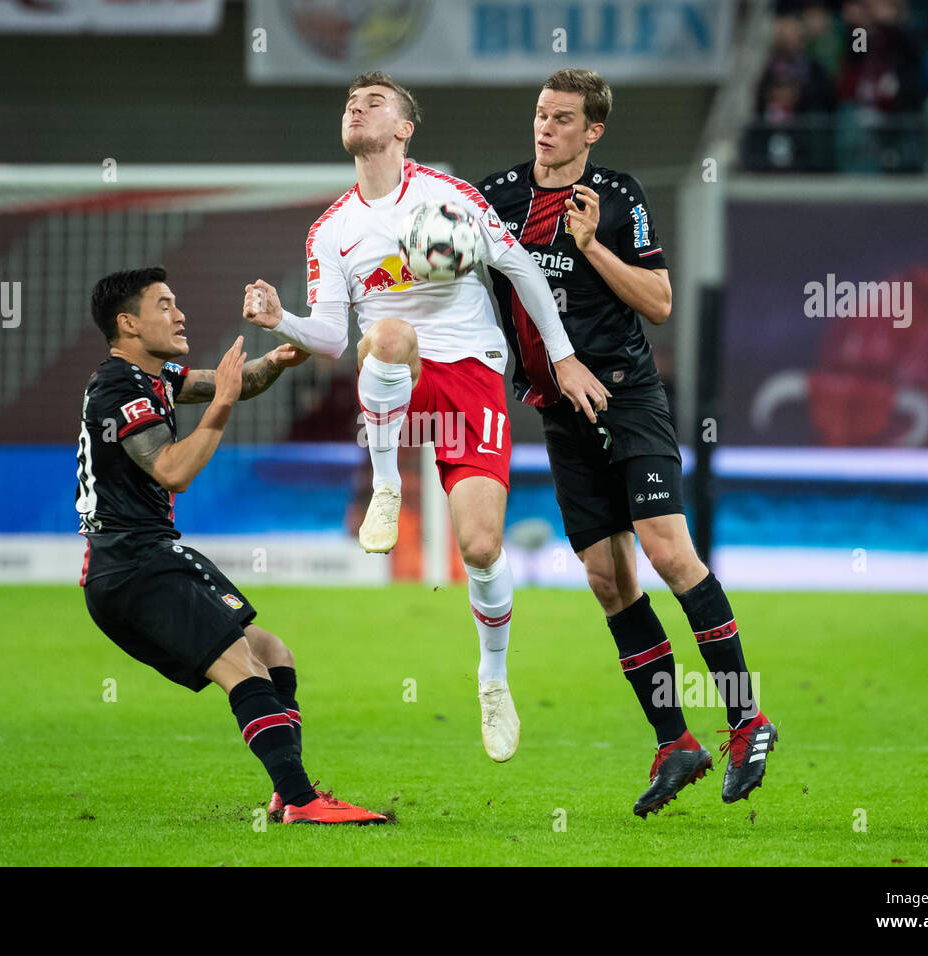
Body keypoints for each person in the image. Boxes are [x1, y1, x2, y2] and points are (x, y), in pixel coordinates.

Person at [242, 72, 609, 763]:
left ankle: (493, 678)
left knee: (478, 547)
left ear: (404, 129)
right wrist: (277, 319)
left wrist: (561, 359)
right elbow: (325, 338)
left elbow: (524, 269)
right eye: (351, 101)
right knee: (381, 333)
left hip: (469, 372)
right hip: (398, 374)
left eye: (375, 101)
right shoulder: (332, 230)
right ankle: (387, 485)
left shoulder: (448, 198)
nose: (357, 107)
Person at [476, 69, 778, 817]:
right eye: (541, 113)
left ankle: (747, 720)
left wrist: (591, 247)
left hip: (624, 394)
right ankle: (675, 741)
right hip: (558, 410)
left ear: (593, 131)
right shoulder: (495, 197)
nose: (546, 128)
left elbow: (662, 302)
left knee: (670, 553)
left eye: (563, 119)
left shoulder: (618, 197)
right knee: (610, 581)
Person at [76, 266, 385, 825]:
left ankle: (287, 791)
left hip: (151, 558)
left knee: (272, 654)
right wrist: (219, 405)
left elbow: (237, 382)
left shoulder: (154, 377)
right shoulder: (118, 388)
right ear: (127, 323)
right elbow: (172, 470)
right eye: (164, 305)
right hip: (133, 567)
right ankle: (301, 800)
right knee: (242, 666)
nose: (180, 314)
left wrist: (277, 360)